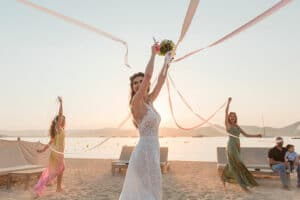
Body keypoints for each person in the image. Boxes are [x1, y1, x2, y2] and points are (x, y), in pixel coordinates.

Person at [119, 43, 172, 200]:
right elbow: (149, 77)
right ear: (133, 87)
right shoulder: (136, 102)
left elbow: (161, 81)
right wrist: (153, 54)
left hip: (153, 150)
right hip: (143, 152)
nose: (139, 84)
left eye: (140, 81)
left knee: (152, 189)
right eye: (135, 82)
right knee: (143, 192)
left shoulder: (149, 101)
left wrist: (167, 62)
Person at [221, 97, 261, 191]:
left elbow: (246, 135)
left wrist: (257, 135)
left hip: (237, 145)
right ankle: (243, 186)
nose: (232, 117)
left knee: (233, 164)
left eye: (234, 116)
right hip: (231, 146)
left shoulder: (237, 126)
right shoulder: (228, 125)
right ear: (229, 118)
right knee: (238, 163)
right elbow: (225, 112)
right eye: (231, 116)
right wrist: (228, 103)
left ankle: (224, 177)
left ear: (236, 117)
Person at [34, 96, 66, 197]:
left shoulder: (59, 130)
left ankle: (58, 187)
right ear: (58, 120)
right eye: (61, 119)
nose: (62, 119)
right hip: (57, 154)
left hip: (58, 153)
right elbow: (60, 113)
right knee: (53, 172)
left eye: (63, 119)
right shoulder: (57, 128)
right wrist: (61, 103)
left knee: (60, 169)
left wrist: (43, 150)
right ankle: (39, 189)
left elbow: (50, 142)